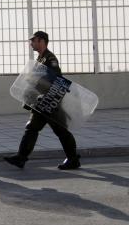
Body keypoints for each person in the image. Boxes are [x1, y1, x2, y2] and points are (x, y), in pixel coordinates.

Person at [5, 31, 81, 170]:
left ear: (41, 41)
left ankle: (73, 159)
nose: (31, 43)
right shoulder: (40, 60)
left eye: (33, 40)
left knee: (61, 131)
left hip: (50, 102)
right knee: (32, 128)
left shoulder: (50, 59)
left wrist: (40, 87)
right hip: (41, 102)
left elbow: (55, 80)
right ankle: (21, 158)